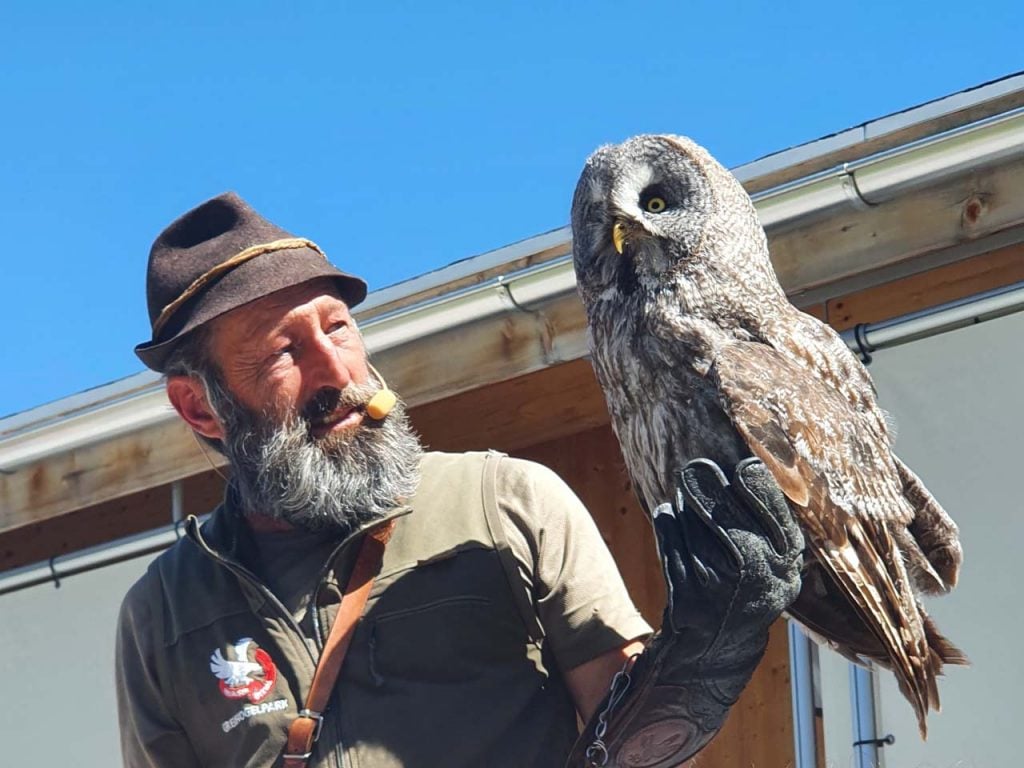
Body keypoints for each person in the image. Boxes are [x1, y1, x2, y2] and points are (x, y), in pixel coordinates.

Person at [116, 192, 803, 768]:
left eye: (339, 328)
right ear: (200, 407)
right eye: (284, 351)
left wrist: (708, 649)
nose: (339, 372)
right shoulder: (164, 613)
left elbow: (633, 746)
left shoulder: (506, 502)